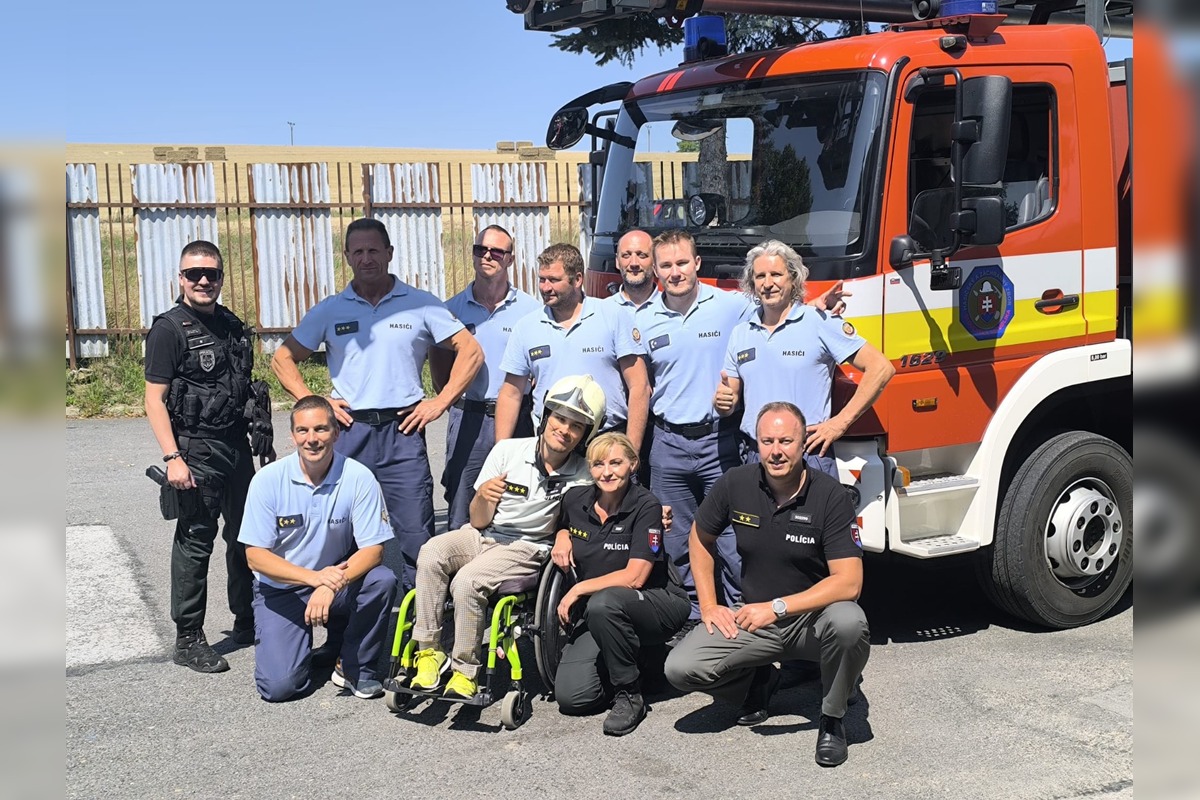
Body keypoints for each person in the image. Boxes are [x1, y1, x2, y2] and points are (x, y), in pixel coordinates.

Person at [271, 218, 484, 592]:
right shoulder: (331, 309)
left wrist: (440, 402)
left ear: (389, 253)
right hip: (349, 432)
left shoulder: (419, 303)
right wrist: (314, 401)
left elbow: (471, 350)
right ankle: (347, 617)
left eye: (374, 250)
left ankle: (421, 619)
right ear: (347, 257)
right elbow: (282, 358)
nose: (366, 258)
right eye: (358, 252)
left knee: (416, 533)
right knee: (340, 532)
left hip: (403, 433)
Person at [664, 402, 870, 768]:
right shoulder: (736, 483)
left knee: (849, 623)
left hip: (813, 622)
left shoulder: (830, 496)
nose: (776, 451)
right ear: (757, 443)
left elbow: (849, 582)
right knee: (680, 667)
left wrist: (777, 607)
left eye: (786, 441)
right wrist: (709, 605)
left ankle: (832, 717)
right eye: (767, 441)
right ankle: (757, 682)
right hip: (755, 621)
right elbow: (699, 537)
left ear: (803, 443)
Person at [408, 375, 605, 701]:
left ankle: (465, 671)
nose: (564, 430)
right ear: (546, 416)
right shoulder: (508, 450)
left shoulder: (584, 473)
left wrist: (564, 535)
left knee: (468, 581)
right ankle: (429, 652)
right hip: (482, 533)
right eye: (559, 418)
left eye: (576, 426)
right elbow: (477, 520)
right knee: (431, 552)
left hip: (527, 546)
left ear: (587, 434)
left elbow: (582, 520)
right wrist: (484, 497)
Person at [144, 240, 275, 674]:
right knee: (196, 540)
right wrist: (172, 457)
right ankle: (188, 639)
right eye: (193, 274)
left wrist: (262, 438)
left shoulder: (232, 325)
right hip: (195, 448)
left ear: (221, 277)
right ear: (180, 278)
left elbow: (246, 389)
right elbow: (154, 400)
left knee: (245, 535)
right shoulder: (169, 329)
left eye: (211, 274)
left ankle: (246, 620)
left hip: (236, 446)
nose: (203, 281)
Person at [635, 230, 756, 640]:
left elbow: (776, 310)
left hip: (719, 440)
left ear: (697, 263)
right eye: (666, 265)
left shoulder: (731, 306)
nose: (675, 272)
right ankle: (690, 620)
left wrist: (822, 309)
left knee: (732, 536)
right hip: (667, 443)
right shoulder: (643, 320)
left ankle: (741, 617)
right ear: (655, 270)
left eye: (682, 263)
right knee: (676, 538)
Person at [238, 396, 398, 702]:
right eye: (303, 430)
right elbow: (255, 557)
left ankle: (354, 667)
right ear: (293, 435)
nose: (312, 439)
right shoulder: (267, 480)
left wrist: (328, 584)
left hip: (335, 580)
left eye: (321, 429)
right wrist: (315, 579)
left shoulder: (359, 477)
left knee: (381, 580)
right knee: (280, 687)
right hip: (281, 588)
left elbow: (374, 550)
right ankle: (308, 646)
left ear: (336, 433)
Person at [716, 239, 894, 479]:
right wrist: (722, 402)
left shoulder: (819, 322)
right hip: (757, 455)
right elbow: (730, 399)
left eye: (776, 274)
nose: (767, 283)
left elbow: (881, 368)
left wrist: (840, 423)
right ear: (752, 283)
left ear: (793, 278)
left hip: (808, 453)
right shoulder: (741, 333)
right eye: (760, 276)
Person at [550, 432, 689, 736]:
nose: (607, 472)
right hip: (601, 613)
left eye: (616, 463)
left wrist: (578, 589)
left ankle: (630, 694)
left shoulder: (647, 506)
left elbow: (635, 577)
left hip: (656, 601)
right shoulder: (574, 499)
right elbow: (562, 525)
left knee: (604, 602)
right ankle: (643, 659)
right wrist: (562, 536)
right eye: (598, 464)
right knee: (574, 698)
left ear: (633, 464)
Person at [431, 224, 540, 529]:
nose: (487, 256)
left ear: (510, 259)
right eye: (481, 250)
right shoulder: (451, 310)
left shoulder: (531, 311)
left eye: (496, 251)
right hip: (470, 417)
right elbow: (439, 370)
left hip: (518, 418)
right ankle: (458, 557)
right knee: (462, 499)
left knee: (517, 495)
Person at [495, 243, 650, 454]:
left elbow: (639, 385)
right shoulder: (526, 327)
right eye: (542, 279)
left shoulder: (612, 315)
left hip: (605, 442)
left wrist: (631, 449)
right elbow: (511, 394)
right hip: (552, 442)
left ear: (577, 279)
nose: (545, 288)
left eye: (554, 280)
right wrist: (501, 452)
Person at [604, 229, 658, 314]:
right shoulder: (603, 311)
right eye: (626, 255)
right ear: (617, 261)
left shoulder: (672, 308)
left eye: (642, 255)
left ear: (655, 260)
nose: (634, 263)